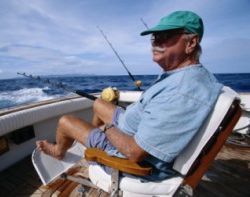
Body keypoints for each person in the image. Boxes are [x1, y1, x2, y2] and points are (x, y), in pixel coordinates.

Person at [36, 11, 223, 181]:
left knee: (66, 121)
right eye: (154, 37)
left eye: (165, 36)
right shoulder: (187, 75)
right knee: (99, 104)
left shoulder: (183, 91)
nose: (156, 42)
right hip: (132, 127)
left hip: (129, 156)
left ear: (191, 43)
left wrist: (107, 129)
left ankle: (60, 151)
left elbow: (134, 152)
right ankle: (93, 141)